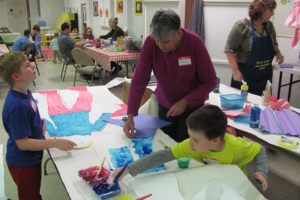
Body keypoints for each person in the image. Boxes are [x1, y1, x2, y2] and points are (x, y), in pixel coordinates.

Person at [114, 104, 268, 191]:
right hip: (212, 179)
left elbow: (259, 149)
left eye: (195, 139)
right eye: (190, 137)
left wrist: (261, 171)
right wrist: (128, 169)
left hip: (234, 183)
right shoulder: (191, 145)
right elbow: (161, 156)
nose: (189, 143)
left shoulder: (236, 146)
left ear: (214, 141)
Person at [123, 10, 217, 142]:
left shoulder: (194, 43)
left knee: (184, 146)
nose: (160, 46)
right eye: (157, 40)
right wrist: (131, 115)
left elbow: (210, 81)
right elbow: (139, 80)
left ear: (178, 33)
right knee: (165, 143)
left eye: (166, 42)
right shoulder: (150, 43)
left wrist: (186, 102)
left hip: (193, 107)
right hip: (166, 104)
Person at [0, 52, 76, 200]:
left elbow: (30, 111)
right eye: (27, 65)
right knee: (30, 195)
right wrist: (55, 143)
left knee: (34, 190)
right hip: (23, 162)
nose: (32, 65)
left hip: (32, 157)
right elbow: (22, 143)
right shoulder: (17, 106)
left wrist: (38, 124)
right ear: (17, 77)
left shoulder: (25, 92)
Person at [225, 0, 284, 96]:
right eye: (271, 10)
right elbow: (230, 50)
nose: (273, 13)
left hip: (265, 78)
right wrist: (235, 71)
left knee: (263, 107)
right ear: (261, 10)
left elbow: (274, 42)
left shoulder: (269, 26)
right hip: (245, 78)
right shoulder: (241, 26)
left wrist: (278, 53)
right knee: (242, 108)